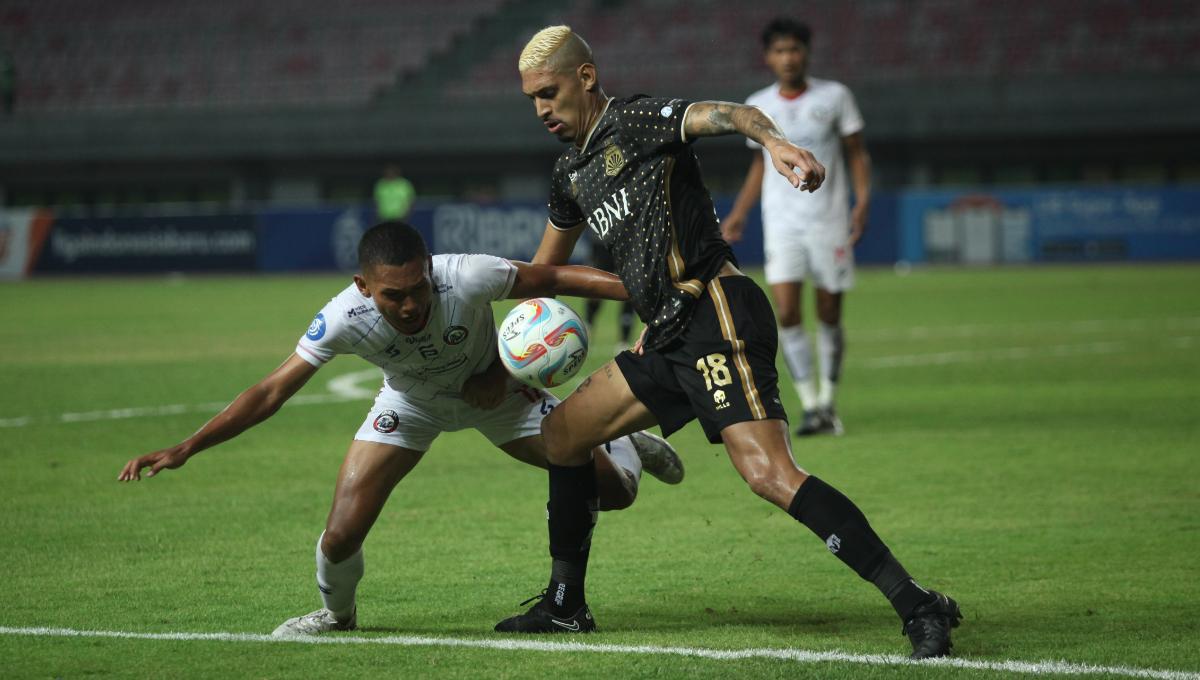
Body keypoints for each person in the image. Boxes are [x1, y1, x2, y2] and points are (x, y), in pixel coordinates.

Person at [495, 26, 961, 660]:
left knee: (769, 474)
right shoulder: (570, 173)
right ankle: (565, 606)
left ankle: (917, 604)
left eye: (549, 92)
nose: (542, 109)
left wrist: (773, 141)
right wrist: (507, 334)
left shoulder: (638, 120)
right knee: (564, 438)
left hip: (716, 309)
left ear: (584, 77)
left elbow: (728, 114)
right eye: (531, 100)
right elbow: (545, 272)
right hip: (665, 334)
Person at [118, 221, 684, 637]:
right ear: (363, 286)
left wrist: (648, 295)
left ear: (430, 268)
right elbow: (271, 390)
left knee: (614, 492)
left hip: (499, 395)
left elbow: (553, 274)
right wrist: (188, 446)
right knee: (340, 534)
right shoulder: (343, 316)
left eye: (418, 288)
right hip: (411, 404)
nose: (411, 304)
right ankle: (338, 617)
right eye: (394, 295)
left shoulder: (465, 276)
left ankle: (622, 441)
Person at [722, 18, 871, 436]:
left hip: (829, 220)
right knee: (786, 311)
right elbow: (759, 167)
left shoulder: (835, 96)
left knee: (828, 311)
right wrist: (740, 212)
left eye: (794, 50)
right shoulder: (758, 105)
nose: (788, 58)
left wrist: (862, 201)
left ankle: (829, 400)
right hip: (782, 223)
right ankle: (810, 405)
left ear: (807, 52)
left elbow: (857, 154)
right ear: (768, 57)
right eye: (780, 51)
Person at [583, 230, 637, 351]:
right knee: (596, 288)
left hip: (628, 241)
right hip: (603, 240)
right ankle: (587, 328)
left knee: (629, 288)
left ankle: (624, 340)